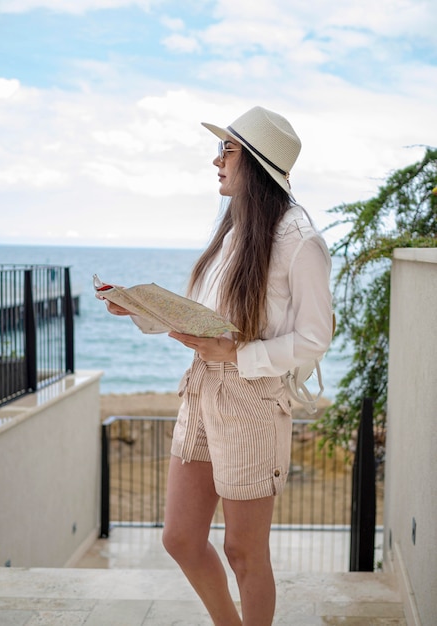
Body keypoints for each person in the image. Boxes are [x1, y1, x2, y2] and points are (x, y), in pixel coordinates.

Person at [98, 105, 333, 626]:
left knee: (244, 553)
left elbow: (316, 336)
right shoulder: (234, 230)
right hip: (202, 389)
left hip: (251, 398)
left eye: (226, 150)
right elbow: (203, 321)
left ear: (255, 162)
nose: (215, 161)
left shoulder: (299, 240)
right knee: (180, 538)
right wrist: (139, 308)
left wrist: (239, 354)